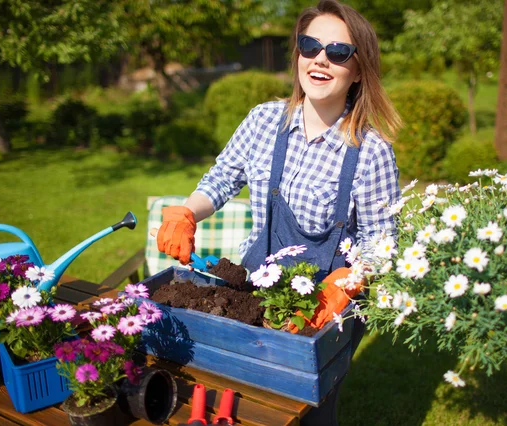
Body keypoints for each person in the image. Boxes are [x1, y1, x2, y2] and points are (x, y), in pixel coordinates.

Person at [156, 1, 401, 423]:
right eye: (310, 46)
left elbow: (383, 244)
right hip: (255, 284)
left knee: (306, 410)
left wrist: (347, 282)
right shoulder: (263, 121)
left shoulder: (371, 151)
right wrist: (186, 212)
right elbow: (221, 179)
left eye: (339, 52)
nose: (321, 59)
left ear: (358, 70)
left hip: (328, 305)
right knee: (248, 398)